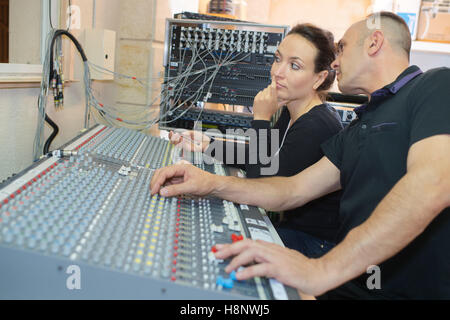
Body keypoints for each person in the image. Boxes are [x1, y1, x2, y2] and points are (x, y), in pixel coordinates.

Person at [151, 11, 450, 299]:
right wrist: (211, 184)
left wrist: (318, 270)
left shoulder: (435, 85)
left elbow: (433, 182)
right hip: (355, 283)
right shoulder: (362, 123)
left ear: (374, 43)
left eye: (342, 48)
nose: (335, 61)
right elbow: (293, 189)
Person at [168, 24, 343, 258]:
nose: (278, 72)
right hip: (290, 227)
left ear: (319, 78)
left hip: (312, 243)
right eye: (277, 59)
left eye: (294, 66)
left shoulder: (317, 125)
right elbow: (264, 157)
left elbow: (259, 184)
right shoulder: (294, 109)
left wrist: (261, 118)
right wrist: (208, 144)